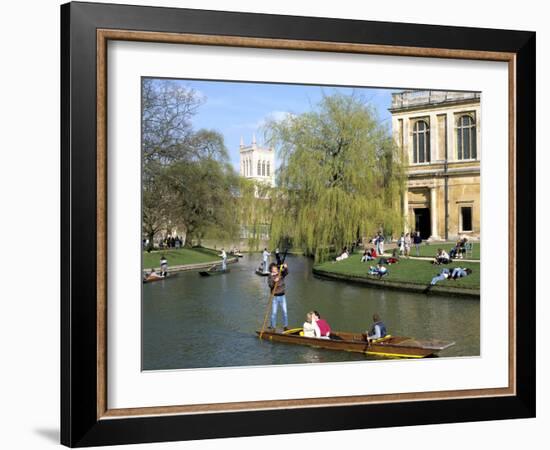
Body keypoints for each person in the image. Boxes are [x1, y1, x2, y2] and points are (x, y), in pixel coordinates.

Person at [268, 261, 289, 331]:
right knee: (274, 313)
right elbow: (270, 285)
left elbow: (286, 273)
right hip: (275, 297)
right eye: (273, 268)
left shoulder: (280, 273)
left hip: (282, 296)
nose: (275, 269)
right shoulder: (270, 276)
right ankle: (273, 327)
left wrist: (286, 268)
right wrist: (274, 281)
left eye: (275, 268)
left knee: (285, 312)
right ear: (271, 269)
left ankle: (285, 326)